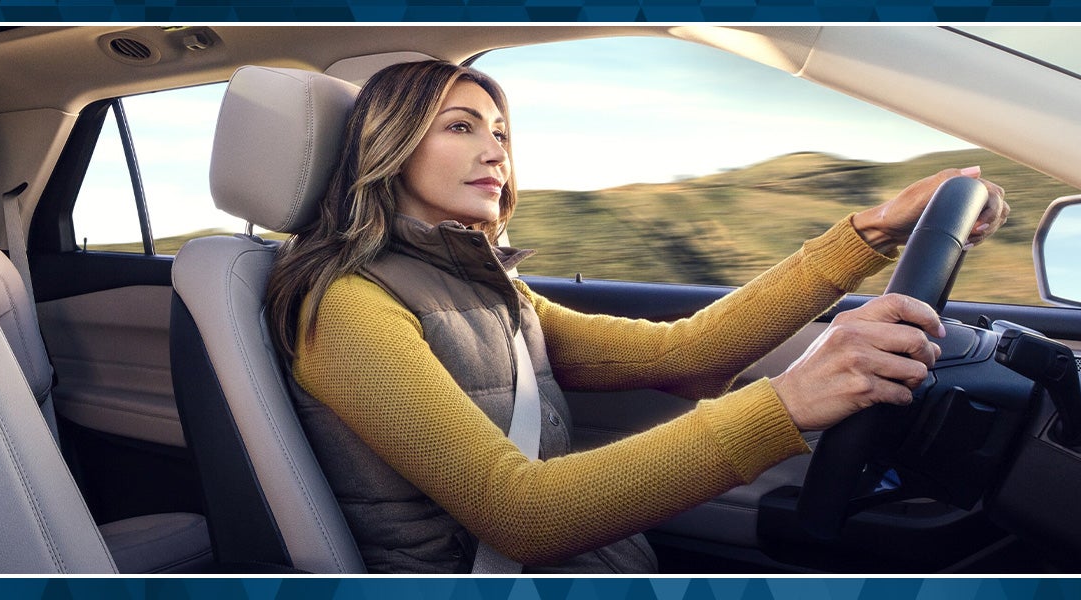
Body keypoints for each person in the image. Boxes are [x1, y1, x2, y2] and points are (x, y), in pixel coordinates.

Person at [264, 60, 1010, 574]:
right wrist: (790, 400)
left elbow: (690, 354)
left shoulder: (488, 288)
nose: (496, 151)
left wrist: (873, 233)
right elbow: (520, 514)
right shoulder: (343, 304)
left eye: (500, 132)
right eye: (461, 127)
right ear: (387, 146)